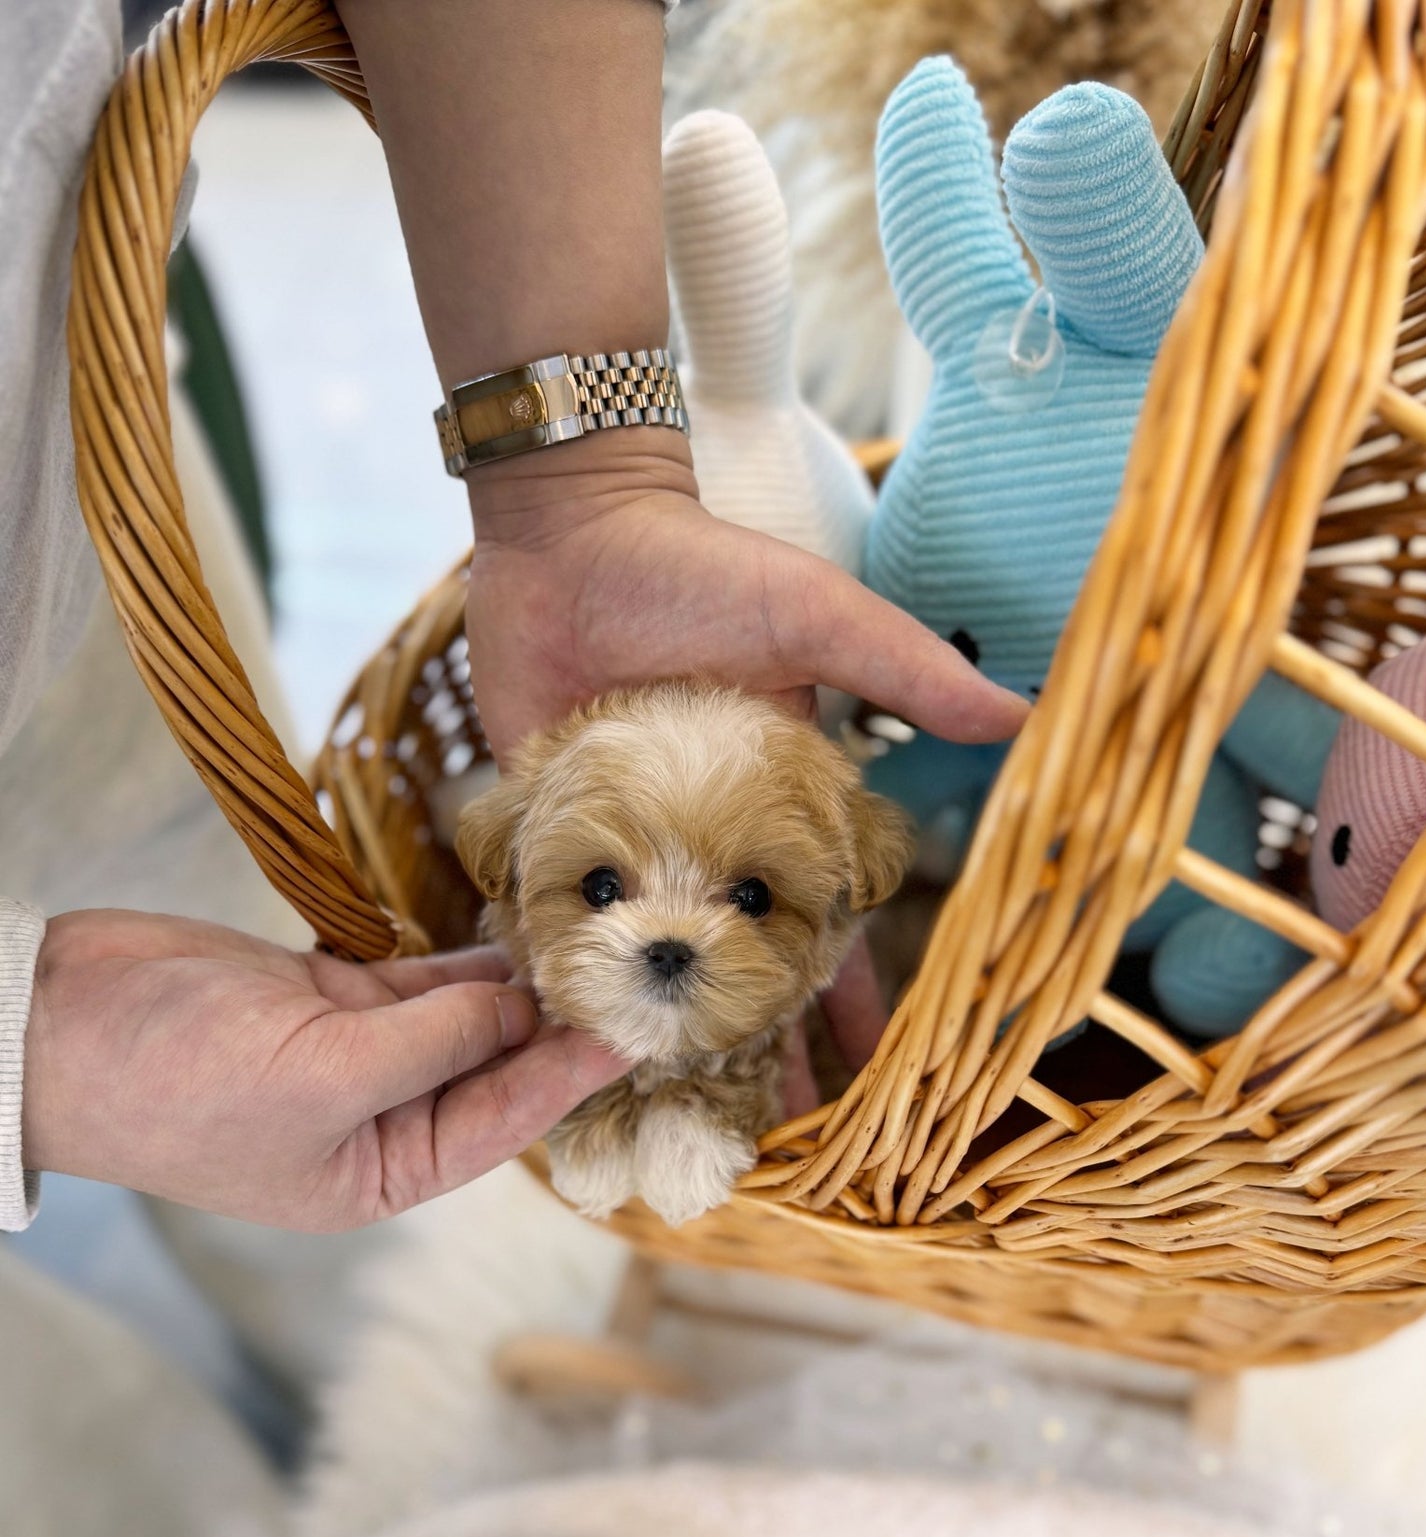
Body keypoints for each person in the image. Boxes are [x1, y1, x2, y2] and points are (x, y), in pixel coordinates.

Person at [1, 0, 1023, 1238]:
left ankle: (323, 1330)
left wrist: (577, 482)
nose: (665, 941)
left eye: (749, 899)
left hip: (48, 426)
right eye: (600, 884)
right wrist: (37, 1059)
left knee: (217, 895)